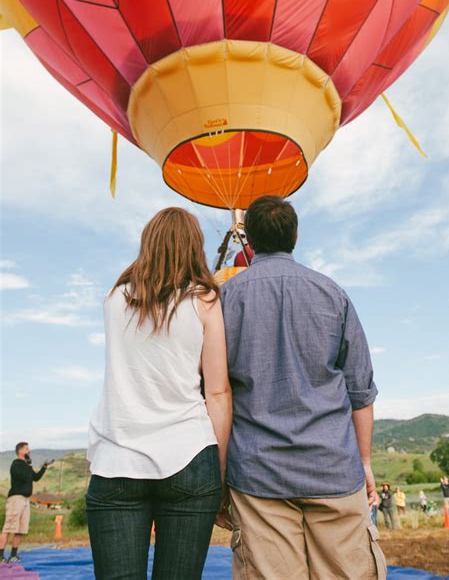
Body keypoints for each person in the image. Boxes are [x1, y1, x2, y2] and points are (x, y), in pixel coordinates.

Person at [219, 196, 386, 579]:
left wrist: (222, 472)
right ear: (295, 235)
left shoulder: (227, 299)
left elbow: (215, 392)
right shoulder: (333, 294)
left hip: (259, 475)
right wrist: (364, 463)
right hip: (334, 470)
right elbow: (360, 392)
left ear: (252, 241)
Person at [86, 208, 232, 580]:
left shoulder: (115, 299)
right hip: (189, 457)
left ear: (147, 243)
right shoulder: (205, 300)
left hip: (116, 459)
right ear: (194, 246)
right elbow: (217, 392)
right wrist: (220, 469)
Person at [0, 442, 52, 564]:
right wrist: (28, 464)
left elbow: (35, 477)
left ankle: (13, 555)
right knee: (8, 528)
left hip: (25, 500)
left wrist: (44, 466)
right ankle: (1, 556)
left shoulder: (26, 465)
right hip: (16, 499)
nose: (29, 451)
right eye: (27, 449)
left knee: (21, 529)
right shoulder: (16, 464)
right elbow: (22, 477)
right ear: (20, 451)